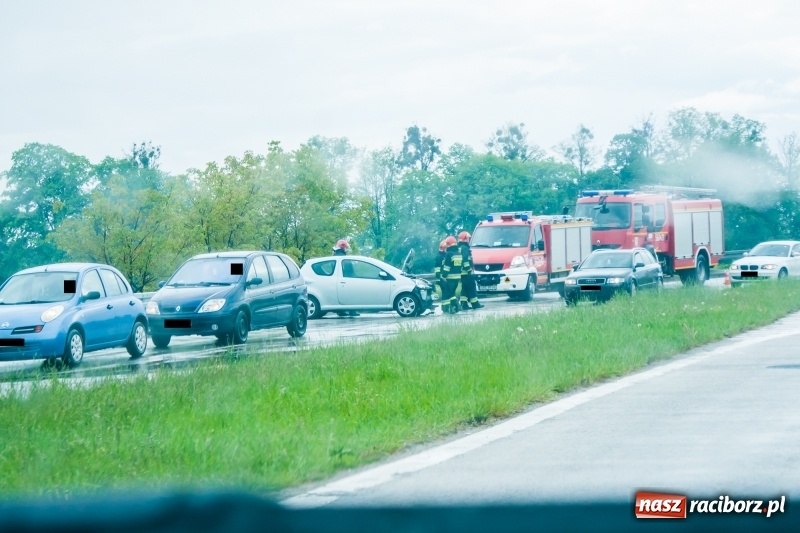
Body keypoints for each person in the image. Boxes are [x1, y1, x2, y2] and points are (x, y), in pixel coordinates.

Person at [332, 239, 359, 317]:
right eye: (346, 247)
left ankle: (341, 311)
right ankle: (352, 311)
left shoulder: (335, 256)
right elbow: (349, 270)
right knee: (351, 295)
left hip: (337, 279)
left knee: (341, 295)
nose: (346, 248)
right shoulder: (343, 257)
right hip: (346, 279)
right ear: (343, 247)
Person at [457, 231, 483, 310]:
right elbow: (465, 260)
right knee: (472, 288)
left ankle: (464, 304)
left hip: (462, 273)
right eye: (468, 238)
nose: (469, 239)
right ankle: (475, 304)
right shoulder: (465, 248)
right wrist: (469, 269)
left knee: (464, 289)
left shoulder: (460, 248)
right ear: (465, 239)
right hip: (467, 273)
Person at [440, 236, 462, 314]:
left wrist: (443, 275)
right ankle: (455, 308)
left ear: (448, 244)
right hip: (457, 278)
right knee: (452, 293)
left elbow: (447, 267)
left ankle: (454, 306)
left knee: (448, 293)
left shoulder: (449, 254)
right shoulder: (458, 253)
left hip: (450, 278)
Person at [434, 239, 448, 313]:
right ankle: (445, 308)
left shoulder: (443, 255)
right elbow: (437, 268)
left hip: (443, 278)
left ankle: (445, 307)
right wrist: (440, 277)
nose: (446, 249)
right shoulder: (439, 256)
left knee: (445, 292)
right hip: (441, 278)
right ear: (442, 247)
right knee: (445, 292)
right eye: (445, 248)